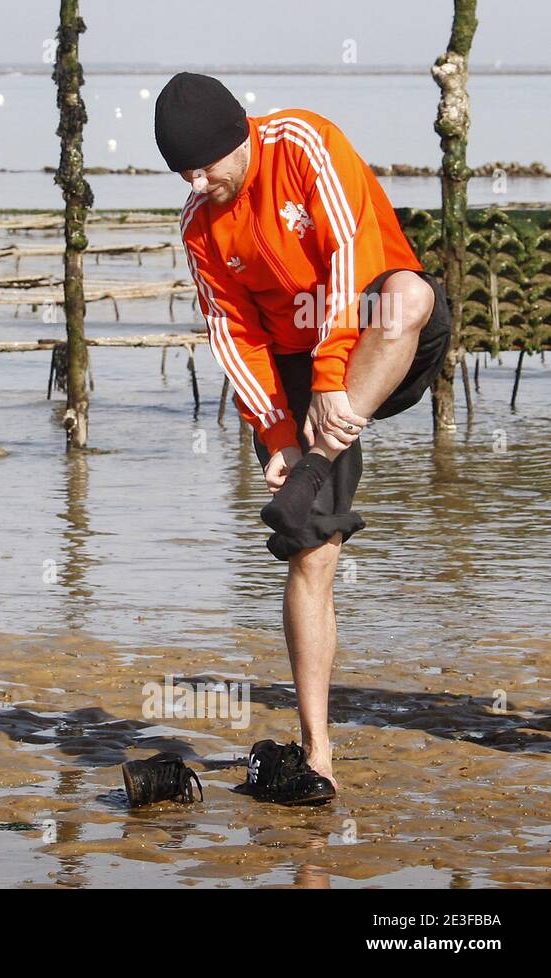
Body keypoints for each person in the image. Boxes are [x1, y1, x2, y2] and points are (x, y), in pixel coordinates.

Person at [142, 72, 452, 805]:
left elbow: (348, 255)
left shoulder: (303, 143)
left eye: (203, 164)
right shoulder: (200, 225)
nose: (195, 180)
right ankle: (318, 751)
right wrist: (279, 435)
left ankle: (323, 455)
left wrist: (333, 376)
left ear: (238, 135)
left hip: (376, 333)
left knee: (411, 291)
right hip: (291, 371)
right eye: (181, 171)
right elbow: (234, 332)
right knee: (313, 552)